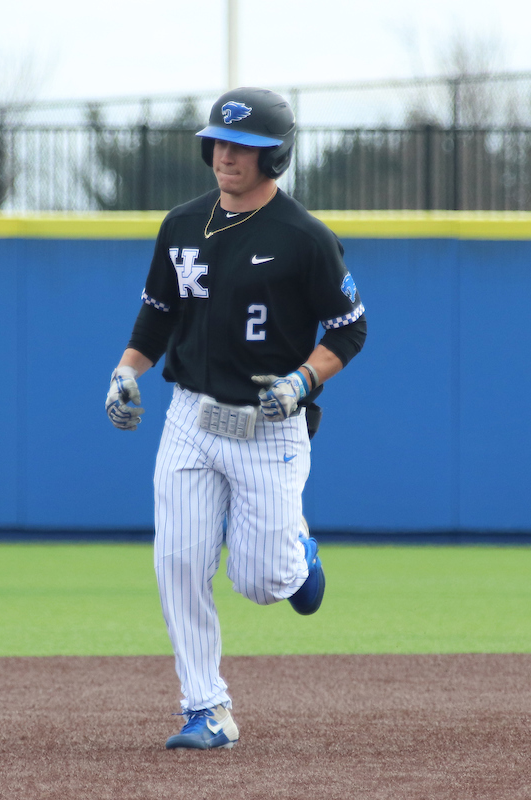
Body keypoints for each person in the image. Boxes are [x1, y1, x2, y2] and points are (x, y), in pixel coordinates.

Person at [104, 87, 367, 750]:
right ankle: (207, 708)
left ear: (273, 155)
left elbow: (349, 329)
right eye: (220, 142)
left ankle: (296, 558)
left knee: (260, 581)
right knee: (179, 561)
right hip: (190, 416)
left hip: (268, 422)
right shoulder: (181, 226)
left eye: (243, 147)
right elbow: (158, 313)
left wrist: (304, 380)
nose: (227, 155)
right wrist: (127, 370)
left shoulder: (305, 239)